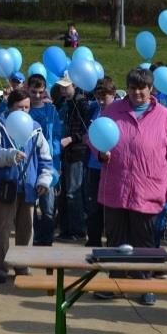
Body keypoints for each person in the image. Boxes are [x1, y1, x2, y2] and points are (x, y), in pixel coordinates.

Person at [92, 68, 167, 306]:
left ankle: (145, 285)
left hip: (148, 189)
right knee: (115, 239)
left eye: (142, 88)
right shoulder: (112, 111)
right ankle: (115, 283)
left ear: (150, 89)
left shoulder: (165, 117)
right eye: (133, 88)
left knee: (145, 241)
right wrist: (100, 154)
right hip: (115, 188)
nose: (137, 93)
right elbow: (93, 138)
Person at [0, 90, 53, 283]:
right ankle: (0, 266)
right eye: (19, 107)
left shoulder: (36, 128)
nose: (23, 111)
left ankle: (23, 265)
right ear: (10, 106)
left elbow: (45, 158)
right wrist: (9, 156)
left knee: (27, 229)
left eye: (27, 107)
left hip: (29, 187)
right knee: (3, 229)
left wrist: (43, 181)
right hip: (4, 187)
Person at [27, 74, 62, 246]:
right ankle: (32, 237)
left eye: (41, 92)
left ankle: (46, 240)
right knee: (29, 204)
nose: (37, 96)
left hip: (48, 164)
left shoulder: (51, 110)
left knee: (48, 205)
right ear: (28, 89)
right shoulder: (24, 110)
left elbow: (56, 134)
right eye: (34, 92)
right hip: (28, 164)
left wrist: (54, 155)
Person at [55, 73, 90, 241]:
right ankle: (65, 228)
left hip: (76, 153)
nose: (62, 89)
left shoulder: (82, 103)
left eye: (65, 86)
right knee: (62, 193)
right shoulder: (62, 102)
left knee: (73, 192)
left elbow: (86, 130)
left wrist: (70, 139)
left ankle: (78, 230)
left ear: (74, 86)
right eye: (61, 86)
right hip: (62, 152)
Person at [84, 77, 116, 247]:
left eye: (105, 97)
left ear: (114, 95)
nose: (101, 101)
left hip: (111, 167)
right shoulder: (93, 109)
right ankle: (93, 241)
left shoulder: (119, 113)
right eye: (98, 97)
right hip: (93, 165)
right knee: (93, 206)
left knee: (110, 207)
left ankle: (112, 242)